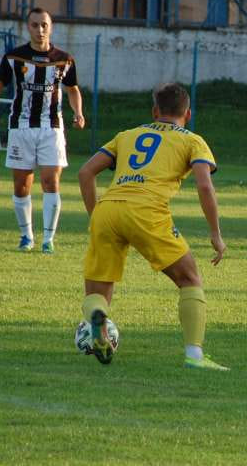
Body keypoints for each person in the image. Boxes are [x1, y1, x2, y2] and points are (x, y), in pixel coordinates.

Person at [77, 83, 229, 369]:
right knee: (189, 279)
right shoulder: (193, 140)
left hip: (108, 209)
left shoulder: (127, 135)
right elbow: (204, 185)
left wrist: (95, 217)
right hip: (147, 211)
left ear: (154, 111)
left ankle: (98, 318)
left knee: (97, 292)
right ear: (188, 113)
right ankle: (195, 356)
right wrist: (215, 234)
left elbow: (85, 172)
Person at [0, 7, 85, 253]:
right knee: (22, 185)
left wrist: (79, 112)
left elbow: (72, 89)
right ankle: (26, 236)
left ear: (51, 27)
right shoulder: (14, 58)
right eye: (35, 25)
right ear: (27, 27)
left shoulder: (64, 59)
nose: (40, 30)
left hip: (52, 128)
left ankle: (48, 240)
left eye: (44, 25)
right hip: (21, 127)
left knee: (51, 181)